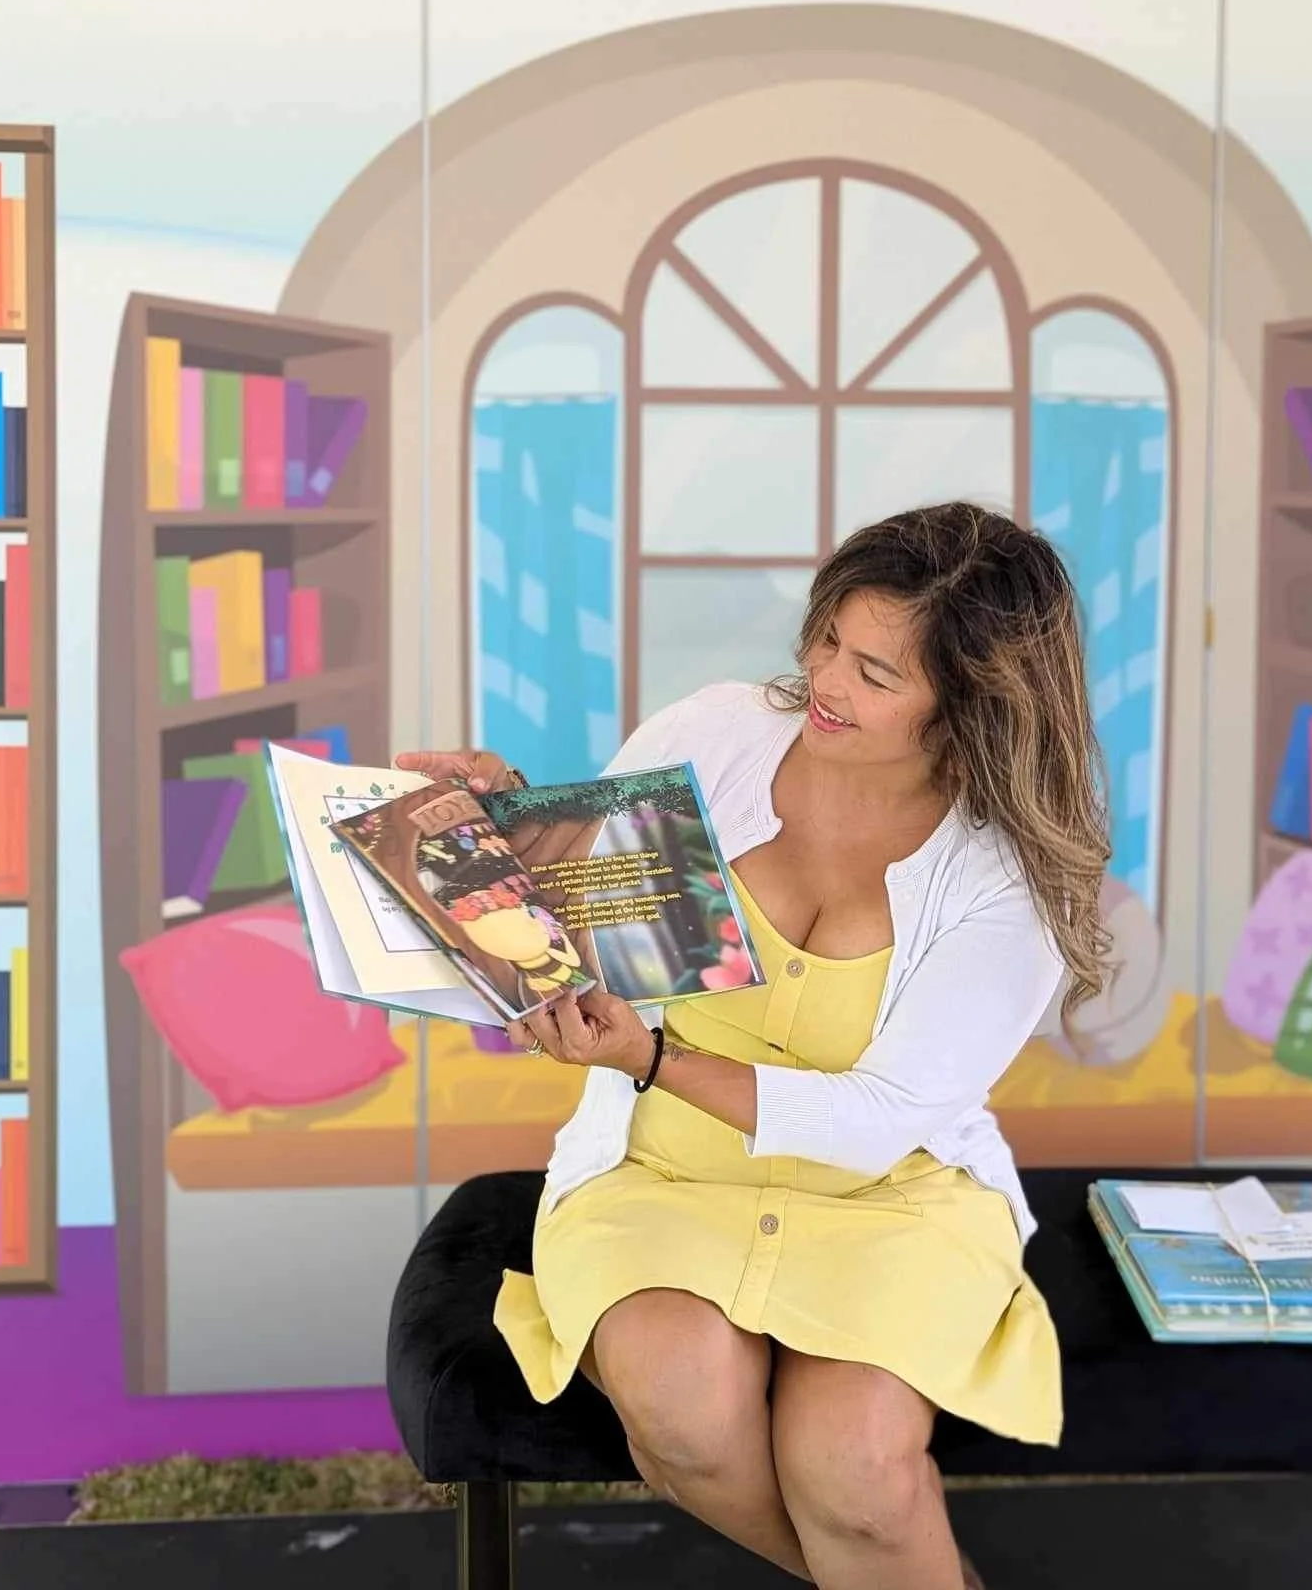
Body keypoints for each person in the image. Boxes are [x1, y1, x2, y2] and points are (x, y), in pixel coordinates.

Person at [396, 503, 1111, 1590]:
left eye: (877, 674)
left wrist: (653, 1060)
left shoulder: (1005, 868)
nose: (826, 681)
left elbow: (881, 1120)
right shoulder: (717, 735)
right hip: (661, 1166)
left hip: (889, 1190)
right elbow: (593, 923)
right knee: (683, 1417)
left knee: (859, 1474)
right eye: (828, 640)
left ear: (973, 706)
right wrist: (512, 823)